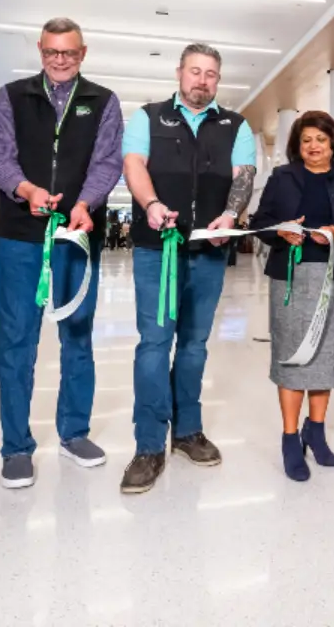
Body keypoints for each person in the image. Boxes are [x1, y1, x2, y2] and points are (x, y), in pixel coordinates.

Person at [0, 17, 124, 489]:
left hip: (76, 234)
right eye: (51, 52)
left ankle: (74, 433)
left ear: (83, 53)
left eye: (68, 52)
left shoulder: (103, 101)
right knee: (16, 341)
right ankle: (15, 447)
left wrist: (85, 204)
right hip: (19, 235)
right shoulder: (12, 96)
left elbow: (107, 163)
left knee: (78, 337)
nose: (60, 60)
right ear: (40, 51)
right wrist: (25, 189)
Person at [119, 43, 257, 494]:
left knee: (194, 345)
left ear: (218, 80)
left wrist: (231, 216)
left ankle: (187, 431)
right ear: (180, 73)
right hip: (157, 248)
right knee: (154, 344)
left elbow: (244, 176)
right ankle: (148, 445)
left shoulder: (235, 125)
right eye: (195, 71)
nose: (202, 80)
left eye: (210, 74)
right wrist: (151, 204)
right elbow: (134, 165)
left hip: (208, 251)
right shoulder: (149, 117)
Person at [250, 111, 334, 482]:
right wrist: (280, 231)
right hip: (292, 277)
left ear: (333, 142)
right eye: (306, 140)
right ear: (297, 146)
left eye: (320, 138)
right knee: (293, 357)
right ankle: (290, 438)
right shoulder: (282, 177)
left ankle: (315, 431)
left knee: (327, 357)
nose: (313, 146)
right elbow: (259, 222)